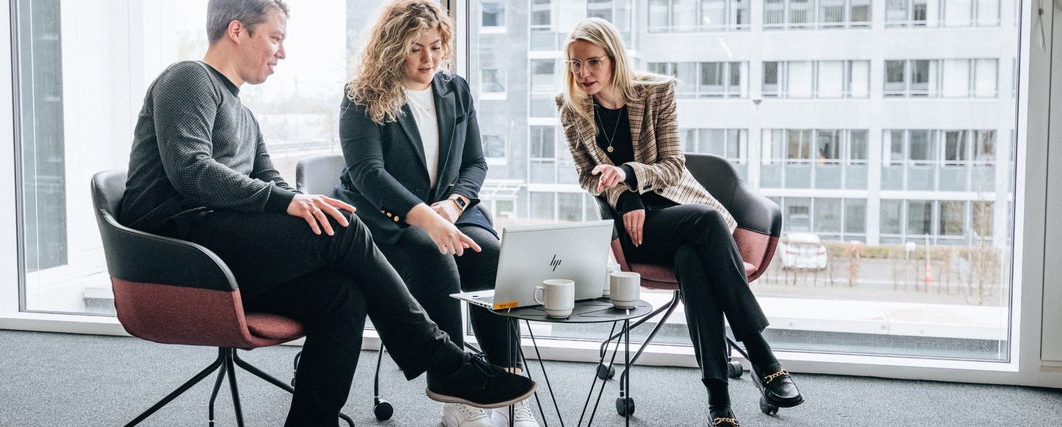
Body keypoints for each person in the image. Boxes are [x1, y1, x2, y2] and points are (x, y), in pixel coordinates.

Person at [116, 1, 534, 425]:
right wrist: (289, 203)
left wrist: (301, 203)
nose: (281, 52)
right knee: (346, 226)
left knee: (341, 296)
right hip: (176, 252)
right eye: (275, 38)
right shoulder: (188, 79)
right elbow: (190, 169)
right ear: (237, 31)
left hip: (224, 252)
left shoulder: (243, 113)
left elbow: (271, 180)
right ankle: (444, 361)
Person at [554, 18, 804, 427]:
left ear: (614, 58)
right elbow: (587, 176)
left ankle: (719, 404)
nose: (582, 74)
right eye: (574, 64)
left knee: (692, 258)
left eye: (592, 62)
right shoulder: (570, 107)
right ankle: (764, 358)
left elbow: (672, 165)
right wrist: (626, 197)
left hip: (679, 214)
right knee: (707, 224)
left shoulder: (655, 92)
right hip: (636, 230)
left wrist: (631, 174)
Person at [333, 1, 536, 426]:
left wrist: (453, 204)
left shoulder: (455, 89)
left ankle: (506, 380)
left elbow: (476, 163)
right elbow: (367, 174)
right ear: (392, 48)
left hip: (451, 211)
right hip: (385, 222)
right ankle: (456, 390)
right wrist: (427, 216)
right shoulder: (362, 95)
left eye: (436, 46)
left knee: (496, 258)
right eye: (415, 48)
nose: (429, 59)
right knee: (434, 254)